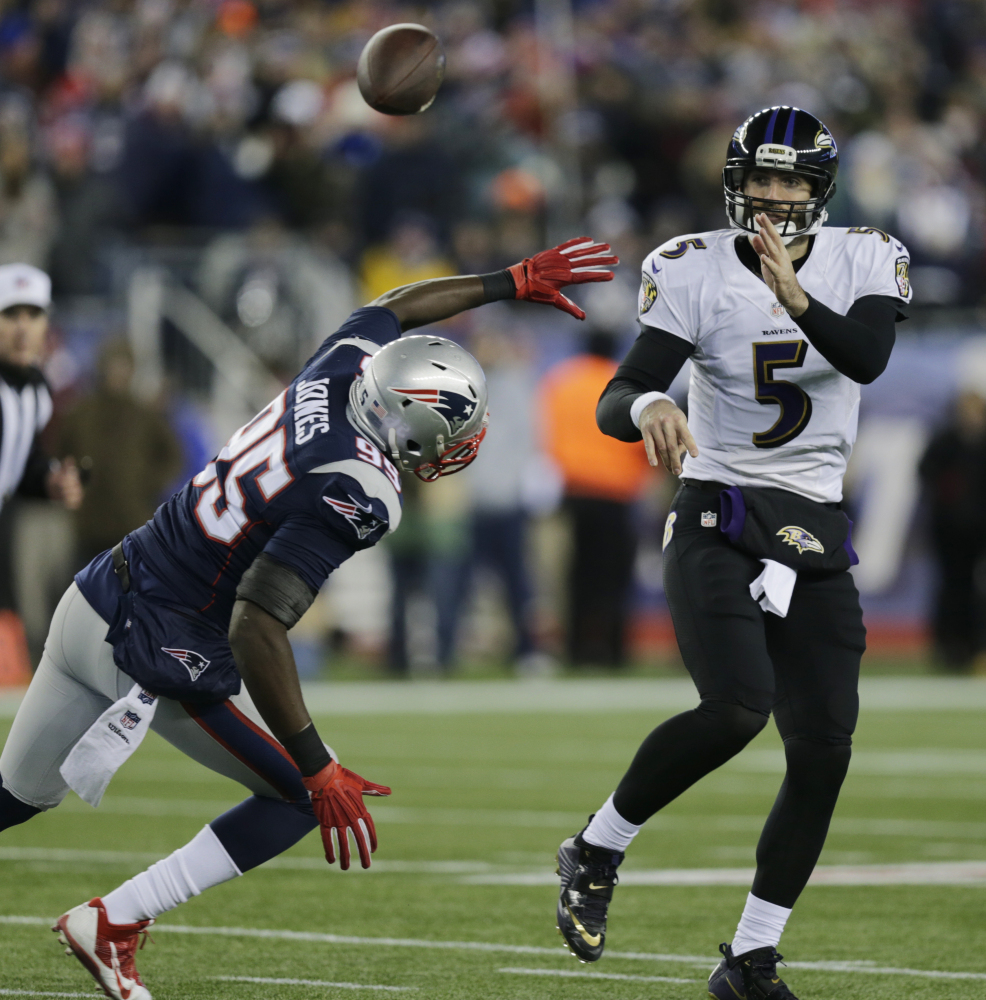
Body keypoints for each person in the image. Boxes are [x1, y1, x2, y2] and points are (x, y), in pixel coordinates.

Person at [0, 236, 616, 1000]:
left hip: (95, 591)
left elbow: (394, 307)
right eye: (454, 427)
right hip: (153, 641)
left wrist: (507, 281)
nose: (462, 442)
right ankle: (116, 922)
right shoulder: (363, 485)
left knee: (13, 800)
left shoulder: (334, 374)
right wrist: (317, 759)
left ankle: (112, 921)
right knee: (297, 795)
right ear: (414, 425)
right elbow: (256, 624)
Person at [553, 106, 911, 1000]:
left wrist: (796, 297)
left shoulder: (868, 255)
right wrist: (648, 409)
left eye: (793, 182)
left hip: (815, 523)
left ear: (821, 191)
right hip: (721, 503)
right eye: (763, 178)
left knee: (825, 749)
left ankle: (750, 959)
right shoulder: (693, 266)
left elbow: (866, 357)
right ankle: (597, 846)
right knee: (736, 708)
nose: (776, 196)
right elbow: (623, 388)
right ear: (735, 180)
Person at [540, 329, 652, 667]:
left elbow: (547, 434)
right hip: (616, 493)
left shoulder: (561, 382)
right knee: (615, 579)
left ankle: (575, 651)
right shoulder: (621, 384)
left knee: (578, 576)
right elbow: (639, 442)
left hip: (574, 492)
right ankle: (615, 653)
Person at [58, 340, 183, 568]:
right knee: (84, 593)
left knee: (131, 593)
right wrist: (76, 485)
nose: (116, 371)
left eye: (123, 364)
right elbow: (61, 455)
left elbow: (173, 456)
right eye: (112, 364)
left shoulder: (143, 414)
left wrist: (145, 483)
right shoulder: (81, 412)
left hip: (131, 520)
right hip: (89, 524)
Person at [918, 389, 986, 671]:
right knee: (951, 587)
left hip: (980, 529)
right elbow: (925, 472)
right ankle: (950, 647)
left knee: (976, 589)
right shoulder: (944, 442)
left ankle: (977, 647)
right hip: (949, 531)